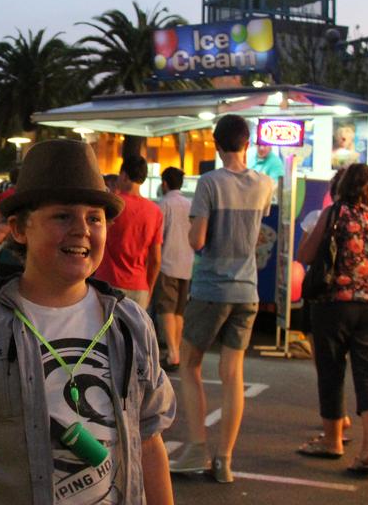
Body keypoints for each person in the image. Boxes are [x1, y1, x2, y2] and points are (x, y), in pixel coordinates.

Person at [0, 138, 175, 505]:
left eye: (94, 218)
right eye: (63, 215)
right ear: (19, 229)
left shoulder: (130, 322)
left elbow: (148, 439)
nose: (82, 229)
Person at [171, 114, 275, 484]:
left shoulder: (210, 183)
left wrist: (192, 228)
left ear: (217, 145)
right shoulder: (265, 184)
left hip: (212, 287)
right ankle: (225, 460)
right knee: (233, 375)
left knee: (190, 363)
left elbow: (197, 240)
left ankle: (197, 446)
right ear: (247, 143)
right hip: (248, 290)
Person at [294, 164, 368, 476]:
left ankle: (333, 441)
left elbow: (306, 254)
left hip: (334, 304)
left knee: (332, 372)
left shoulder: (333, 214)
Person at [94, 155, 163, 309]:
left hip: (107, 282)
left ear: (124, 175)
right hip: (139, 287)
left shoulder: (112, 205)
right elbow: (156, 259)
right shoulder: (155, 211)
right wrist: (148, 288)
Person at [153, 167, 192, 372]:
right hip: (187, 264)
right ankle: (176, 351)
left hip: (167, 262)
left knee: (166, 308)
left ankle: (173, 353)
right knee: (179, 311)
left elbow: (158, 238)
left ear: (165, 183)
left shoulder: (164, 205)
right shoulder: (190, 204)